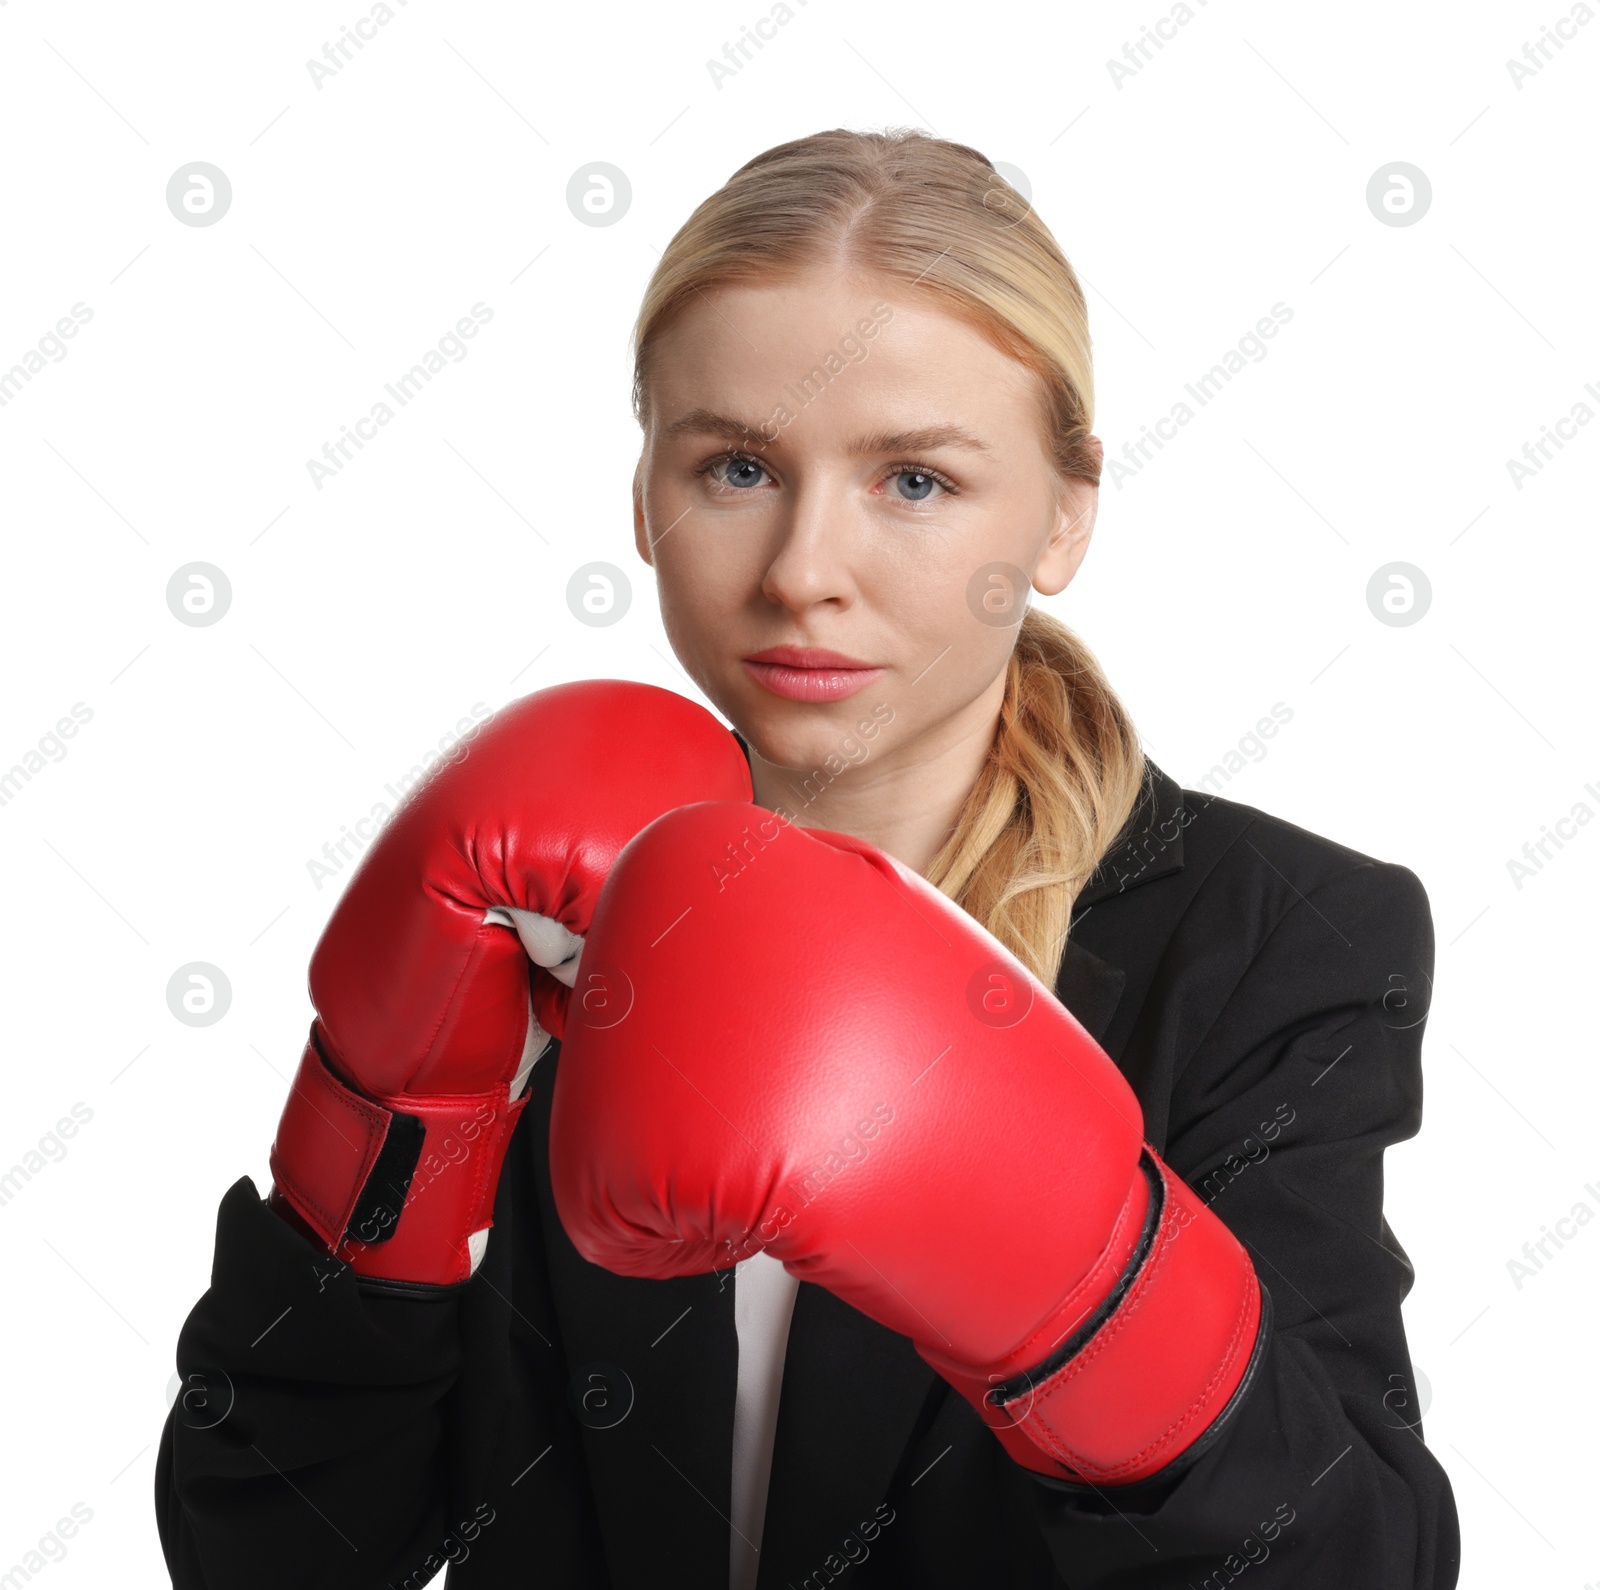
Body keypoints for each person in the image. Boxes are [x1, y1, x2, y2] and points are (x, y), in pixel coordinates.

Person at [156, 128, 1460, 1589]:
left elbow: (1355, 1566)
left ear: (1067, 509)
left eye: (913, 481)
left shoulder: (1270, 944)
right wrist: (389, 1126)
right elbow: (264, 1550)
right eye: (737, 465)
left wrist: (1092, 1295)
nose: (800, 570)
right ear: (644, 495)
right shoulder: (519, 903)